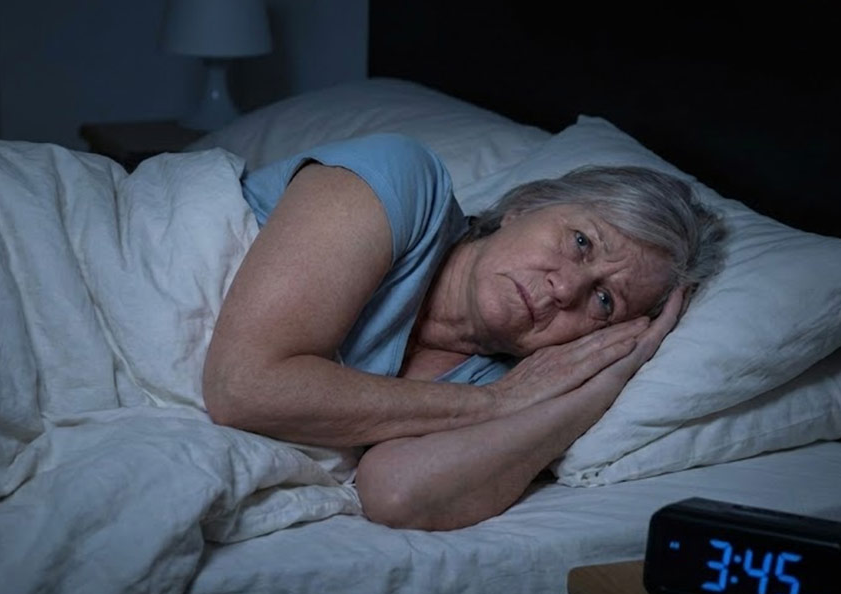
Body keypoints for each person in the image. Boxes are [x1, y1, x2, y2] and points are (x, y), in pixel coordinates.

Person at [203, 133, 725, 531]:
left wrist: (604, 385)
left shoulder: (505, 377)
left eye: (604, 301)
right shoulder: (405, 186)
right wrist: (496, 404)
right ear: (524, 206)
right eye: (582, 242)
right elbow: (244, 387)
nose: (566, 288)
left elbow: (396, 494)